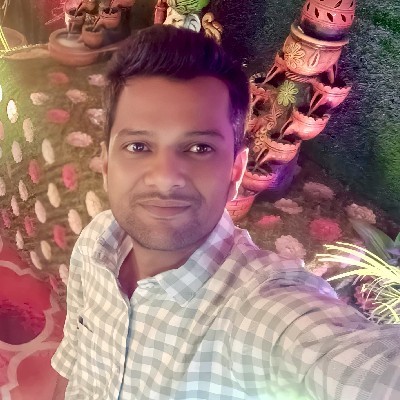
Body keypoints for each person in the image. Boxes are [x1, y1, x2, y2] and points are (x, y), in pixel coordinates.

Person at [51, 24, 400, 400]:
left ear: (235, 173)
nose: (165, 177)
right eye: (138, 146)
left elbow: (359, 366)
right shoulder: (97, 242)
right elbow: (72, 367)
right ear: (106, 166)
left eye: (199, 148)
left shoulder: (262, 309)